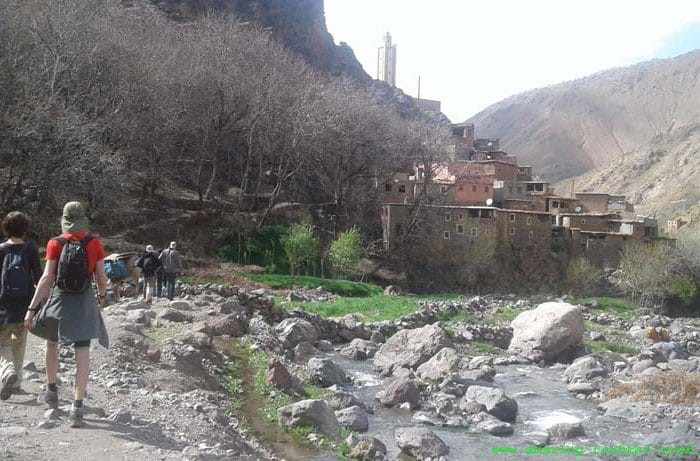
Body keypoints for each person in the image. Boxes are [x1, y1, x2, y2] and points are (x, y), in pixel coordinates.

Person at [24, 201, 109, 428]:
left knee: (52, 345)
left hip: (58, 301)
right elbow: (101, 278)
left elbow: (46, 278)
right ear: (83, 219)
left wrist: (32, 309)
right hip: (83, 301)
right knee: (82, 352)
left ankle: (52, 391)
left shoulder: (55, 243)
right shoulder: (95, 244)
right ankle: (77, 406)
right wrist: (101, 297)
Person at [0, 212, 42, 400]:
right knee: (19, 342)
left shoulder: (1, 249)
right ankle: (16, 383)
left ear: (6, 228)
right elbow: (39, 276)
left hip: (3, 306)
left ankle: (7, 371)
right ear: (25, 229)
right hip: (25, 305)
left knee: (2, 343)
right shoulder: (31, 248)